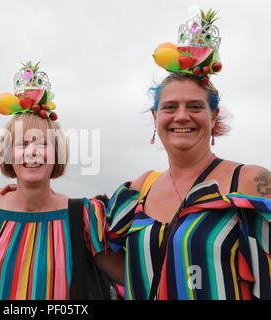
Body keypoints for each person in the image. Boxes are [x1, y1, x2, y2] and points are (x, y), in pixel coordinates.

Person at [106, 9, 270, 300]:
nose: (181, 116)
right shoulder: (140, 188)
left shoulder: (248, 181)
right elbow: (117, 260)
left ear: (213, 116)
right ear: (156, 117)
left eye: (194, 107)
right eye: (170, 107)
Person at [0, 61, 122, 300]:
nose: (32, 152)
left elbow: (129, 274)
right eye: (22, 144)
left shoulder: (83, 215)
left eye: (42, 143)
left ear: (57, 153)